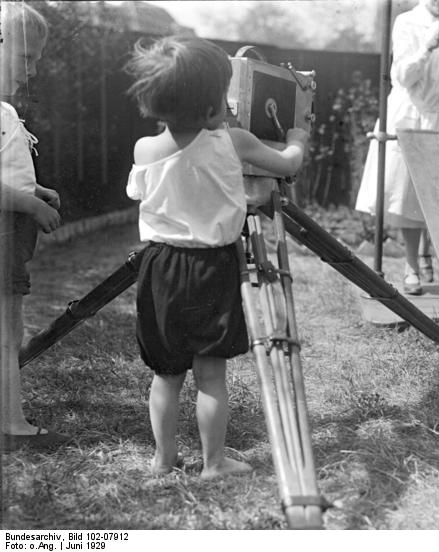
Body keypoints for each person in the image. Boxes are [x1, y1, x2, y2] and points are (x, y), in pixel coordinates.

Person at [124, 36, 308, 478]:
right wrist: (297, 139)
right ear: (212, 110)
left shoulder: (144, 150)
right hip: (213, 266)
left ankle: (163, 459)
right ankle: (212, 463)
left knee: (166, 374)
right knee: (210, 375)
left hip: (161, 266)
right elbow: (287, 166)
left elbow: (137, 192)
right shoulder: (234, 140)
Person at [355, 0, 439, 295]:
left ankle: (428, 254)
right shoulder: (406, 22)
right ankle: (411, 266)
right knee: (406, 194)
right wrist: (428, 48)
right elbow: (403, 77)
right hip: (409, 110)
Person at [1, 1, 70, 453]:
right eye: (26, 57)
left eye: (38, 59)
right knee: (7, 333)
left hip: (10, 235)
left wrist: (35, 189)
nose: (33, 68)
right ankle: (12, 426)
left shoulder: (4, 110)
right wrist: (27, 202)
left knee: (10, 329)